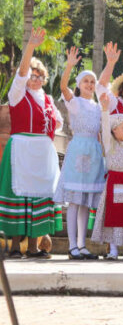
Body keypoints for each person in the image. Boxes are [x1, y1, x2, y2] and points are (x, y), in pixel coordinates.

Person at [0, 28, 63, 259]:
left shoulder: (48, 99)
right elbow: (21, 73)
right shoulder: (18, 94)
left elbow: (58, 124)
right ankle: (16, 246)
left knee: (40, 195)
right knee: (19, 195)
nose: (35, 79)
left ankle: (34, 247)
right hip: (22, 150)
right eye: (32, 76)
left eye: (40, 76)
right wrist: (31, 47)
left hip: (42, 152)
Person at [55, 46, 105, 260]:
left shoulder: (98, 106)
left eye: (93, 82)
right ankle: (72, 246)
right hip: (78, 151)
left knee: (86, 201)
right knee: (75, 200)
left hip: (94, 152)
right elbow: (63, 86)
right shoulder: (75, 103)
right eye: (86, 81)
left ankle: (82, 245)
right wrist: (70, 66)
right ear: (80, 84)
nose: (90, 85)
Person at [91, 93, 123, 260]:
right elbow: (105, 128)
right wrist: (105, 110)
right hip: (114, 182)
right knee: (113, 216)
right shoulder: (110, 143)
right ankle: (113, 250)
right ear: (114, 130)